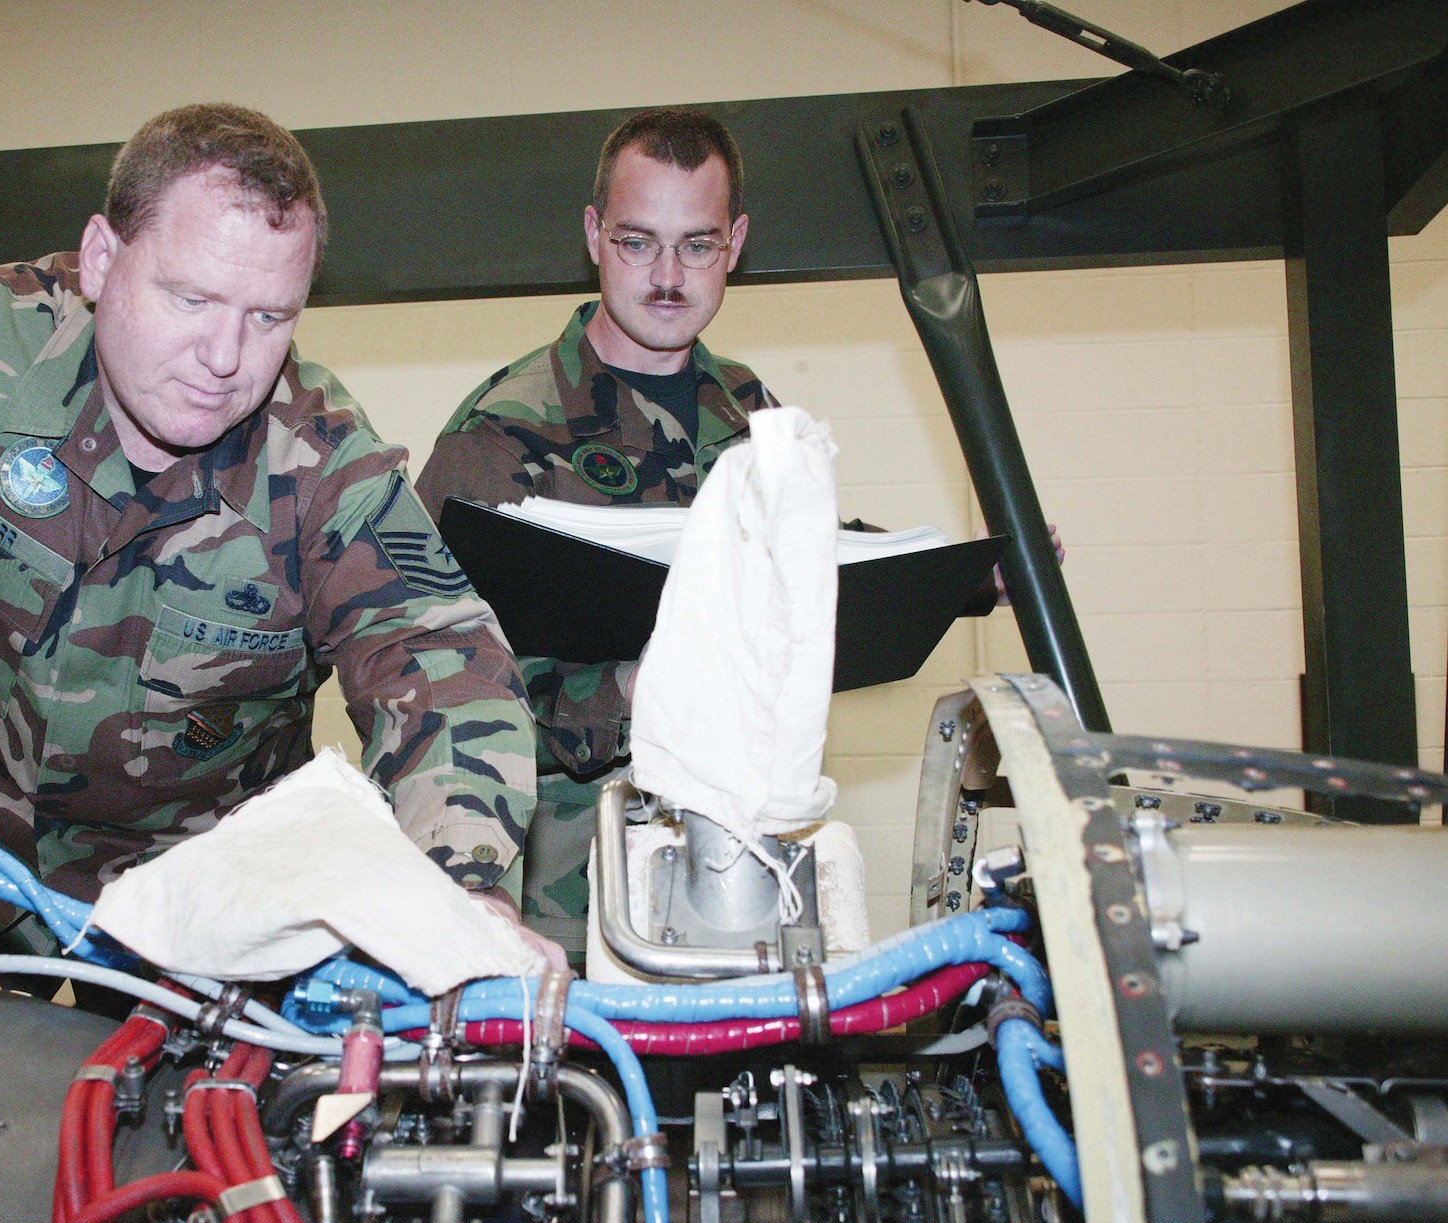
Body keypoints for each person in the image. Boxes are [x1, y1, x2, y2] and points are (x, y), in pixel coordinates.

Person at [0, 104, 546, 955]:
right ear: (99, 258)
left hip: (188, 904)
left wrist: (461, 888)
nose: (226, 356)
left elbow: (441, 658)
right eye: (191, 297)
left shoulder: (321, 463)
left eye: (269, 316)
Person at [416, 107, 1055, 959]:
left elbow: (811, 559)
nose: (668, 274)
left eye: (699, 244)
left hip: (740, 883)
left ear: (737, 242)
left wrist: (972, 576)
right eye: (639, 242)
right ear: (594, 237)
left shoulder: (749, 409)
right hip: (569, 904)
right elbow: (432, 692)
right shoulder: (504, 429)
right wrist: (638, 690)